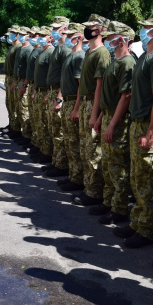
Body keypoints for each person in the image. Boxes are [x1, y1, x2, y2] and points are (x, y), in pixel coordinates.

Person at [113, 13, 153, 248]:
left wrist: (151, 133)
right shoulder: (145, 56)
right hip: (138, 123)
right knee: (138, 178)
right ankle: (138, 222)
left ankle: (146, 230)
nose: (142, 29)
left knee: (147, 180)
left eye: (147, 26)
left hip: (148, 125)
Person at [90, 21, 136, 225]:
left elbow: (125, 97)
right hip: (108, 116)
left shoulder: (127, 63)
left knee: (118, 166)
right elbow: (109, 97)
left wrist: (112, 124)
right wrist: (101, 118)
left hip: (118, 121)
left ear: (123, 39)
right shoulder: (115, 61)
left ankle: (119, 208)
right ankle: (109, 202)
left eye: (112, 36)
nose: (108, 39)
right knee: (108, 164)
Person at [71, 14, 111, 206]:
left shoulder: (102, 54)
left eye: (92, 27)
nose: (88, 30)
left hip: (93, 105)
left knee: (94, 150)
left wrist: (95, 114)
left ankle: (94, 192)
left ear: (101, 30)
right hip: (86, 103)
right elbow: (83, 85)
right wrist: (78, 107)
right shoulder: (89, 52)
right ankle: (88, 185)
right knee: (85, 148)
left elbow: (100, 87)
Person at [58, 23, 86, 192]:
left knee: (75, 142)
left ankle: (77, 178)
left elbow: (80, 86)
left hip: (72, 102)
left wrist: (76, 108)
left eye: (71, 35)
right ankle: (72, 174)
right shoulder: (71, 55)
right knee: (69, 141)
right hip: (67, 102)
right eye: (66, 35)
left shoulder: (79, 56)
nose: (67, 38)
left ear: (79, 37)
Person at [44, 16, 71, 177]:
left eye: (56, 28)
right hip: (52, 90)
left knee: (59, 130)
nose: (53, 31)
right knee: (53, 128)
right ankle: (56, 161)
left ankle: (61, 165)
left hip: (59, 93)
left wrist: (59, 97)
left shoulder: (65, 50)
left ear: (64, 29)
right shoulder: (58, 47)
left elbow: (65, 76)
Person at [31, 26, 55, 164]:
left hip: (46, 91)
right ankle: (41, 148)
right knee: (40, 121)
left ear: (49, 37)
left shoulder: (51, 52)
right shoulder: (42, 51)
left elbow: (50, 75)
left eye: (42, 35)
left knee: (46, 123)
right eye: (38, 35)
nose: (39, 37)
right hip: (39, 90)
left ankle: (47, 152)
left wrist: (48, 92)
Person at [13, 26, 33, 146]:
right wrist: (15, 81)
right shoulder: (21, 48)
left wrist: (25, 84)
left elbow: (28, 70)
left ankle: (27, 135)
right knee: (19, 108)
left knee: (24, 110)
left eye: (22, 34)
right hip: (18, 80)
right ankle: (22, 133)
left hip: (24, 82)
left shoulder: (29, 49)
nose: (19, 36)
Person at [25, 26, 43, 154]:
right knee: (34, 116)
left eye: (34, 36)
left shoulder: (43, 51)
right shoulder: (38, 51)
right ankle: (34, 142)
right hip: (34, 86)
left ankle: (42, 148)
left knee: (41, 120)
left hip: (42, 89)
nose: (32, 38)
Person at [2, 25, 22, 139]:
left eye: (12, 34)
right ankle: (11, 124)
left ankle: (16, 128)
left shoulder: (18, 47)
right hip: (9, 77)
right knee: (9, 102)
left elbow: (16, 67)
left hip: (13, 77)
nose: (9, 36)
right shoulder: (12, 47)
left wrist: (14, 80)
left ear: (17, 35)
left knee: (14, 104)